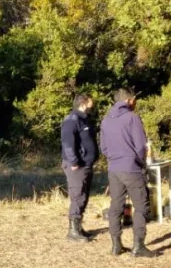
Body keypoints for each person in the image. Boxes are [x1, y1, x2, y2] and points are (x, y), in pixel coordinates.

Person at [100, 89, 159, 258]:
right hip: (131, 168)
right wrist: (141, 163)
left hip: (114, 169)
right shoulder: (132, 118)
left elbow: (103, 147)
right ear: (129, 100)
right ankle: (138, 246)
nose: (135, 103)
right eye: (134, 100)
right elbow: (141, 146)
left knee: (115, 207)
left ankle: (116, 245)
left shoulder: (105, 120)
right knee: (141, 206)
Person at [61, 93, 98, 242]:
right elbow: (68, 143)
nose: (93, 103)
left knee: (83, 196)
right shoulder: (72, 120)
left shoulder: (84, 119)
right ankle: (73, 232)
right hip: (77, 166)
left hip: (86, 164)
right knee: (77, 196)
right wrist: (74, 162)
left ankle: (78, 227)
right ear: (84, 102)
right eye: (91, 100)